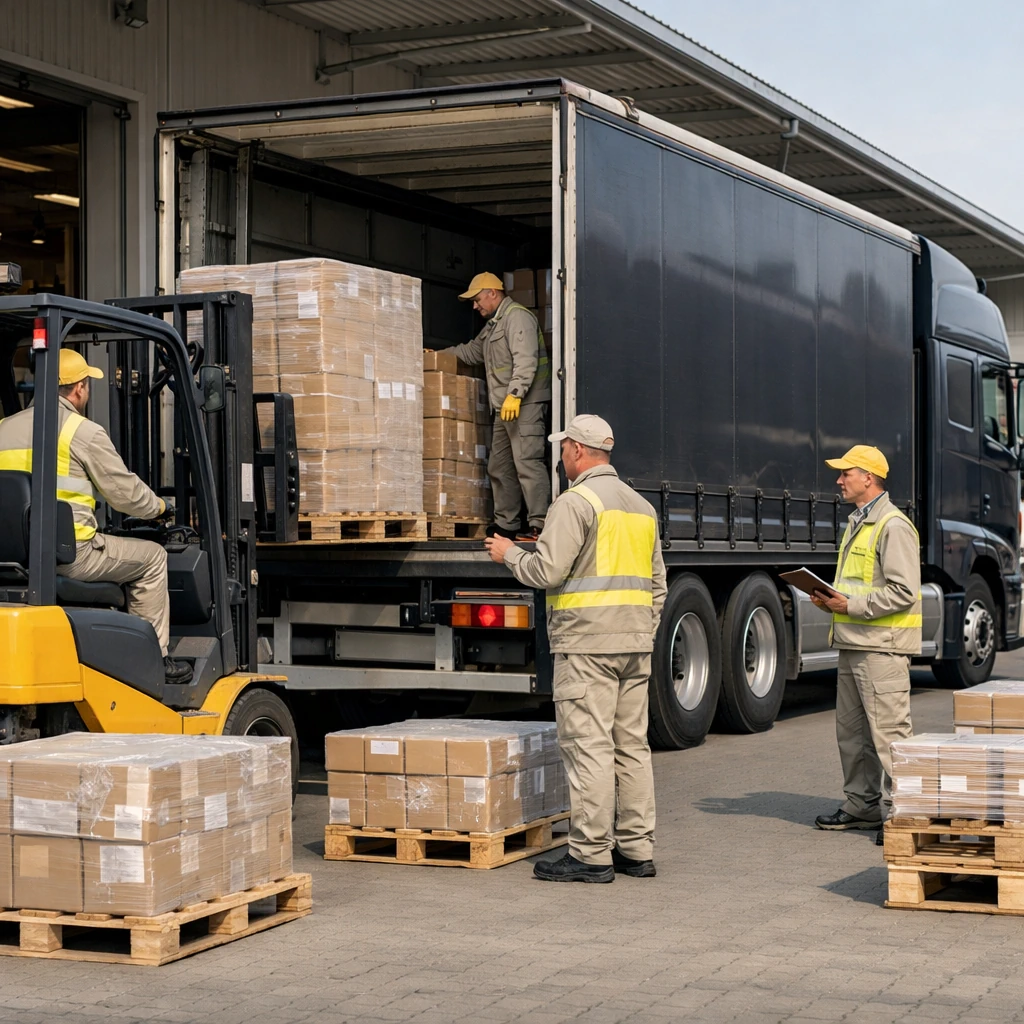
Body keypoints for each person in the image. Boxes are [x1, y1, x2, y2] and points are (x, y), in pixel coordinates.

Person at [485, 414, 666, 882]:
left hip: (587, 646)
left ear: (579, 451)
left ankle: (589, 855)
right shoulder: (641, 507)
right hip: (633, 645)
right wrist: (640, 631)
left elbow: (547, 572)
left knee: (589, 747)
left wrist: (510, 555)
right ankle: (636, 850)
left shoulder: (575, 501)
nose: (561, 454)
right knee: (631, 747)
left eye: (564, 447)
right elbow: (657, 586)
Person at [0, 348, 191, 683]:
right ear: (79, 388)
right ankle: (153, 664)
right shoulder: (81, 431)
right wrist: (160, 508)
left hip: (15, 559)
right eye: (87, 385)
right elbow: (124, 493)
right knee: (153, 558)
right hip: (71, 556)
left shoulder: (3, 428)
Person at [811, 445, 920, 845]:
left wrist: (850, 604)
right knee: (853, 735)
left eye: (846, 473)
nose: (839, 480)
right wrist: (831, 599)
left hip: (882, 648)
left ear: (868, 478)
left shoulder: (893, 525)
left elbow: (904, 591)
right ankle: (861, 806)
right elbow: (861, 585)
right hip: (855, 642)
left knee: (890, 736)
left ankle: (905, 814)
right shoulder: (860, 522)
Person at [447, 272, 551, 541]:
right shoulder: (494, 325)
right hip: (503, 407)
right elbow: (471, 352)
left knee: (527, 463)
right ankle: (507, 524)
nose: (474, 305)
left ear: (493, 292)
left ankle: (540, 525)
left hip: (523, 404)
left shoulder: (517, 318)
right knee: (499, 466)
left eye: (477, 299)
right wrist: (434, 355)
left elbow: (525, 360)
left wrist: (515, 394)